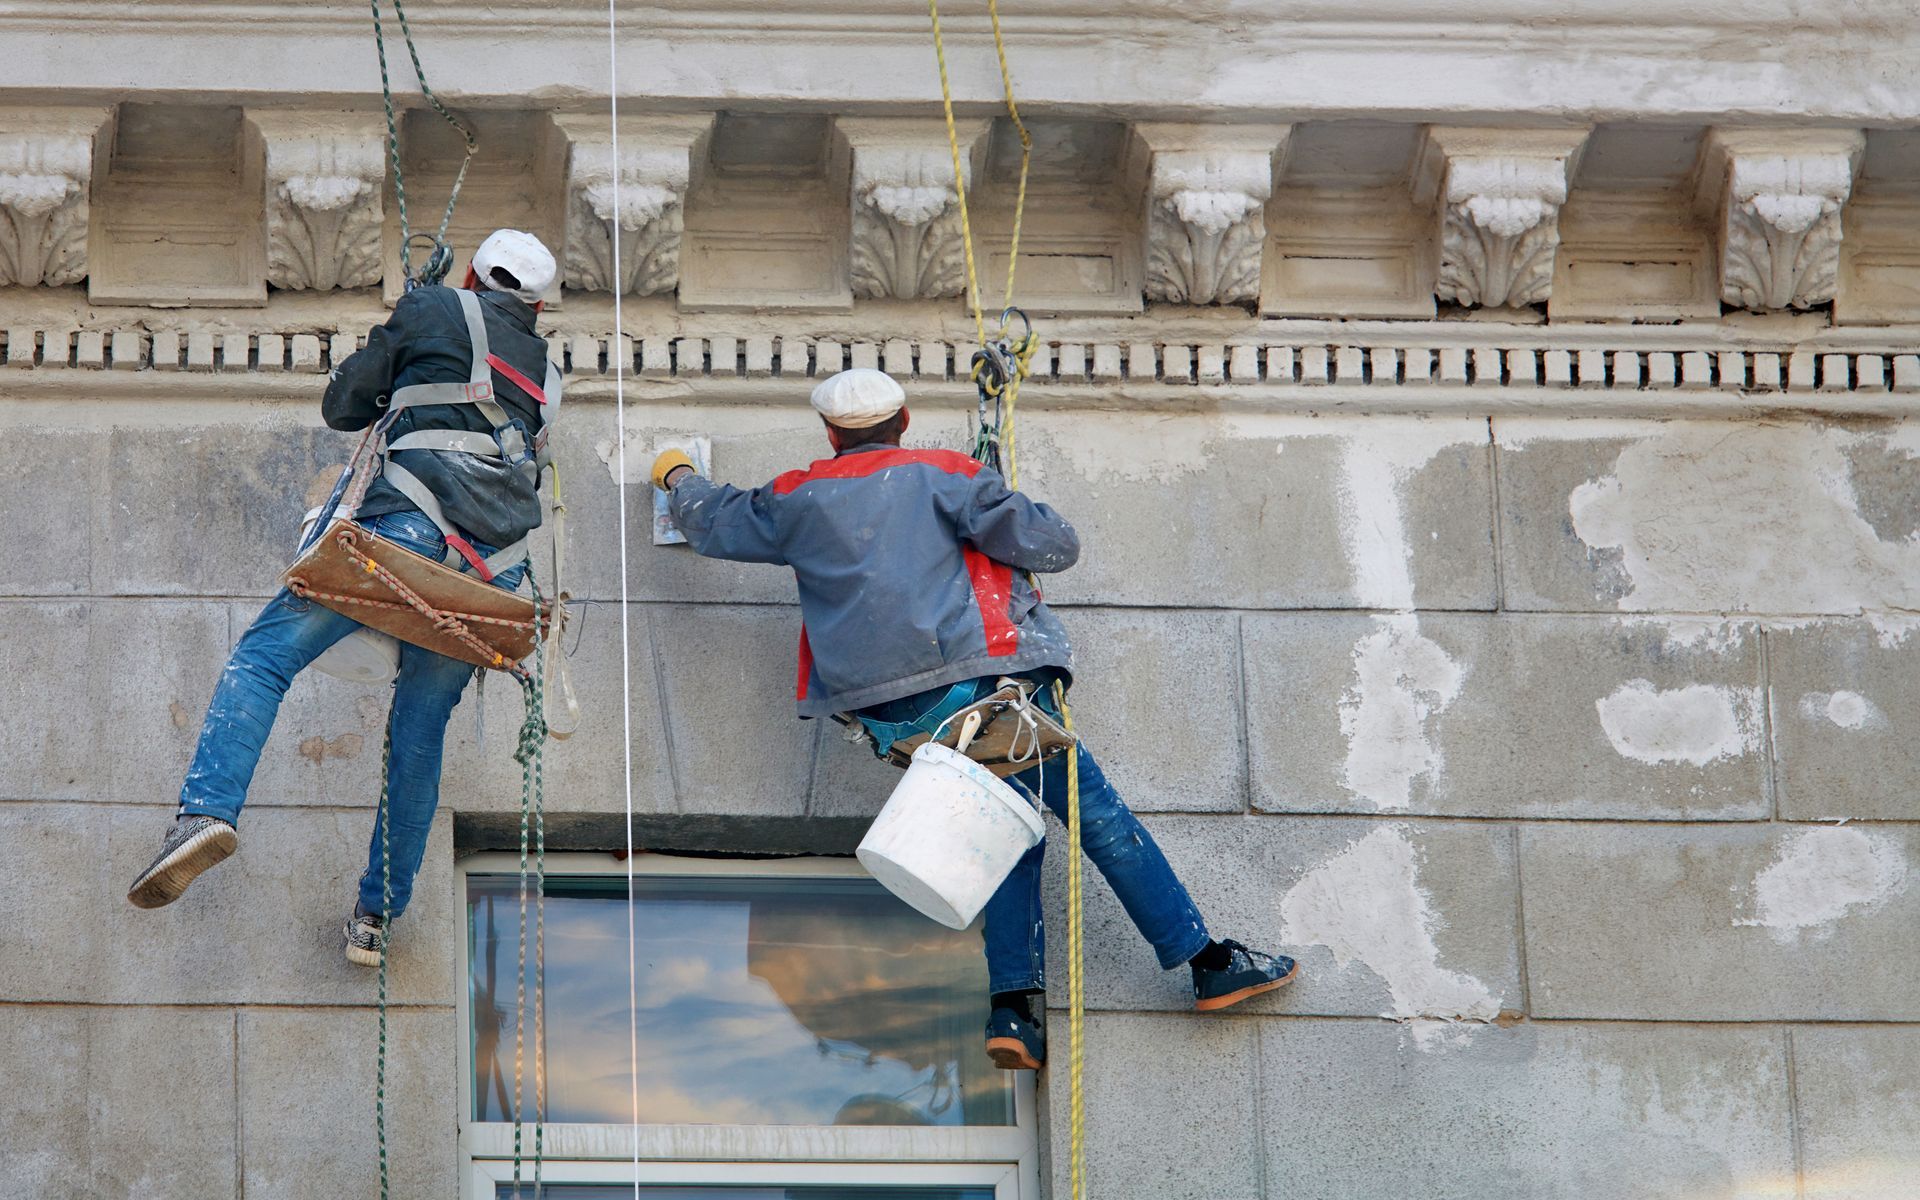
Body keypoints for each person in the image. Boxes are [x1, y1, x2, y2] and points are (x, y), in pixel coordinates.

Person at [650, 367, 1299, 1071]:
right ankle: (1206, 961)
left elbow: (711, 518)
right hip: (981, 690)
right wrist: (997, 498)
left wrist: (674, 471)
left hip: (893, 719)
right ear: (902, 421)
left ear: (831, 435)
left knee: (1008, 834)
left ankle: (1013, 1013)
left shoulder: (796, 496)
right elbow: (1054, 545)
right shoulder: (943, 474)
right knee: (1098, 816)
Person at [126, 230, 561, 968]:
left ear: (470, 274)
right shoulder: (552, 371)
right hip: (496, 579)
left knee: (264, 657)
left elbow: (345, 405)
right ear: (537, 303)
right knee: (418, 740)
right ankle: (377, 915)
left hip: (411, 536)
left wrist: (399, 326)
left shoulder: (429, 308)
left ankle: (205, 814)